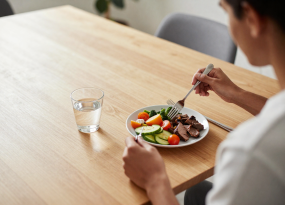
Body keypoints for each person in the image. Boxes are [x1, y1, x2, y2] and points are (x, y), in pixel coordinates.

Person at [122, 0, 285, 204]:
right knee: (196, 192)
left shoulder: (250, 153)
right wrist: (236, 93)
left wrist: (155, 181)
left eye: (226, 12)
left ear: (252, 19)